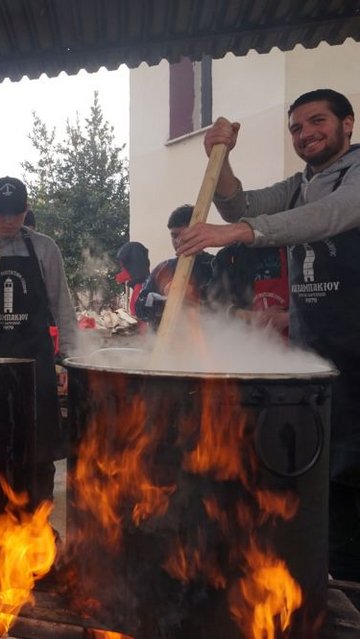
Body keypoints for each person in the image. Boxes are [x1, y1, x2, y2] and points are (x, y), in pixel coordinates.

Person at [176, 88, 360, 580]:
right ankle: (320, 584)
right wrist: (224, 160)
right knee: (315, 484)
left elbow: (330, 216)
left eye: (317, 122)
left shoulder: (353, 178)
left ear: (349, 123)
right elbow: (239, 205)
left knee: (352, 487)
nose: (305, 134)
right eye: (296, 128)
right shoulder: (301, 184)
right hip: (312, 363)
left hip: (358, 358)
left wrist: (240, 233)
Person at [0, 176, 78, 503]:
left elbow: (62, 305)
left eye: (14, 213)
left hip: (36, 367)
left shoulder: (44, 248)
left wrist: (70, 362)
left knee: (40, 453)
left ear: (26, 210)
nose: (7, 220)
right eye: (0, 212)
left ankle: (39, 524)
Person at [134, 205, 215, 329]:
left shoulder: (214, 267)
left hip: (205, 344)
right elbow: (140, 310)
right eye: (174, 236)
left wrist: (191, 298)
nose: (178, 241)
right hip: (163, 344)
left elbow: (223, 311)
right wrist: (162, 304)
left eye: (183, 236)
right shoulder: (163, 269)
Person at [207, 243, 289, 336]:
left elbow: (308, 306)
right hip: (248, 343)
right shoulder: (229, 256)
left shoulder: (299, 248)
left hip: (299, 344)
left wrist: (288, 318)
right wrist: (249, 316)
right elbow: (213, 304)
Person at [114, 241, 150, 318]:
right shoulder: (144, 282)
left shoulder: (141, 289)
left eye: (123, 264)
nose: (122, 266)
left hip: (142, 327)